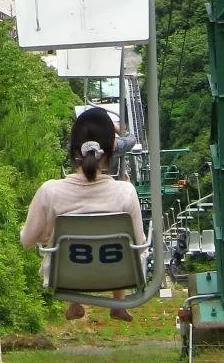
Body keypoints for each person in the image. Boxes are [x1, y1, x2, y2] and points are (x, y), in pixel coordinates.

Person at [20, 106, 146, 322]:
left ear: (73, 150)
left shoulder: (50, 191)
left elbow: (26, 241)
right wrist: (119, 129)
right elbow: (140, 243)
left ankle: (74, 300)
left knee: (62, 244)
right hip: (119, 274)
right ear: (111, 150)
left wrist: (42, 234)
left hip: (67, 276)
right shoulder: (126, 192)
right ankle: (118, 302)